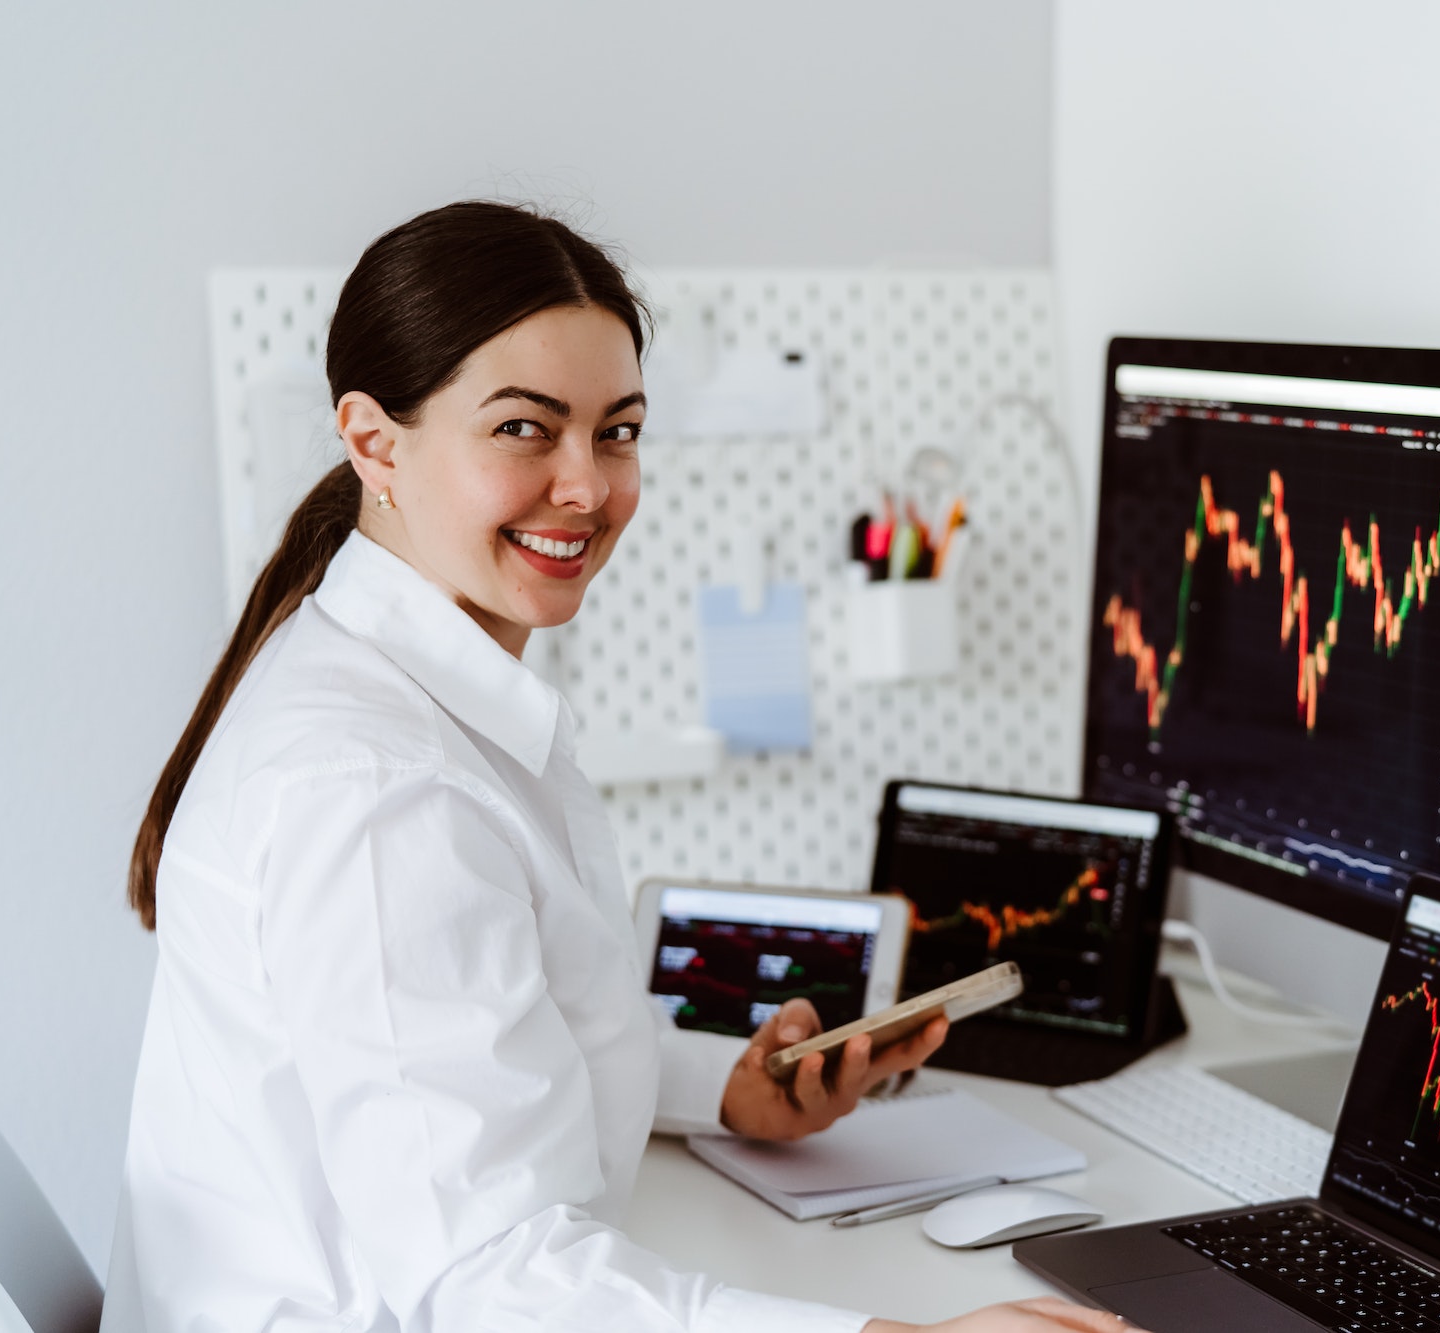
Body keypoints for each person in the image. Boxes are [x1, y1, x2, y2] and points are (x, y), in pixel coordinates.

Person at [102, 201, 1129, 1333]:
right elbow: (486, 1278)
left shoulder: (399, 686)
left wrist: (722, 1087)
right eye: (522, 429)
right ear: (374, 440)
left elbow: (479, 1046)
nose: (587, 486)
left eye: (617, 430)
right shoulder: (378, 790)